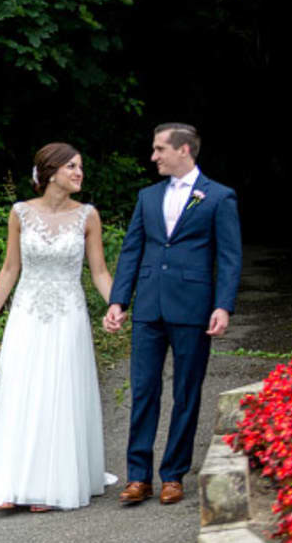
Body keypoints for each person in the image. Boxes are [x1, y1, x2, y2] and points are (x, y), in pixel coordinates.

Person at [0, 143, 116, 512]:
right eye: (71, 166)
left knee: (57, 392)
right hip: (27, 314)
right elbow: (9, 270)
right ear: (50, 172)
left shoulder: (88, 216)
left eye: (80, 166)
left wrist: (117, 304)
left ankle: (51, 486)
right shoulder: (20, 213)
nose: (79, 172)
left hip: (68, 314)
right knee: (19, 391)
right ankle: (9, 484)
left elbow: (98, 272)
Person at [102, 122, 241, 506]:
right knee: (144, 389)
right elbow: (132, 250)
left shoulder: (218, 197)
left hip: (193, 306)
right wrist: (119, 300)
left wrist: (223, 305)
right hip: (148, 306)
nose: (153, 156)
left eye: (160, 149)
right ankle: (138, 476)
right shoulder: (148, 197)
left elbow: (229, 257)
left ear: (184, 150)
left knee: (186, 392)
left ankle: (173, 474)